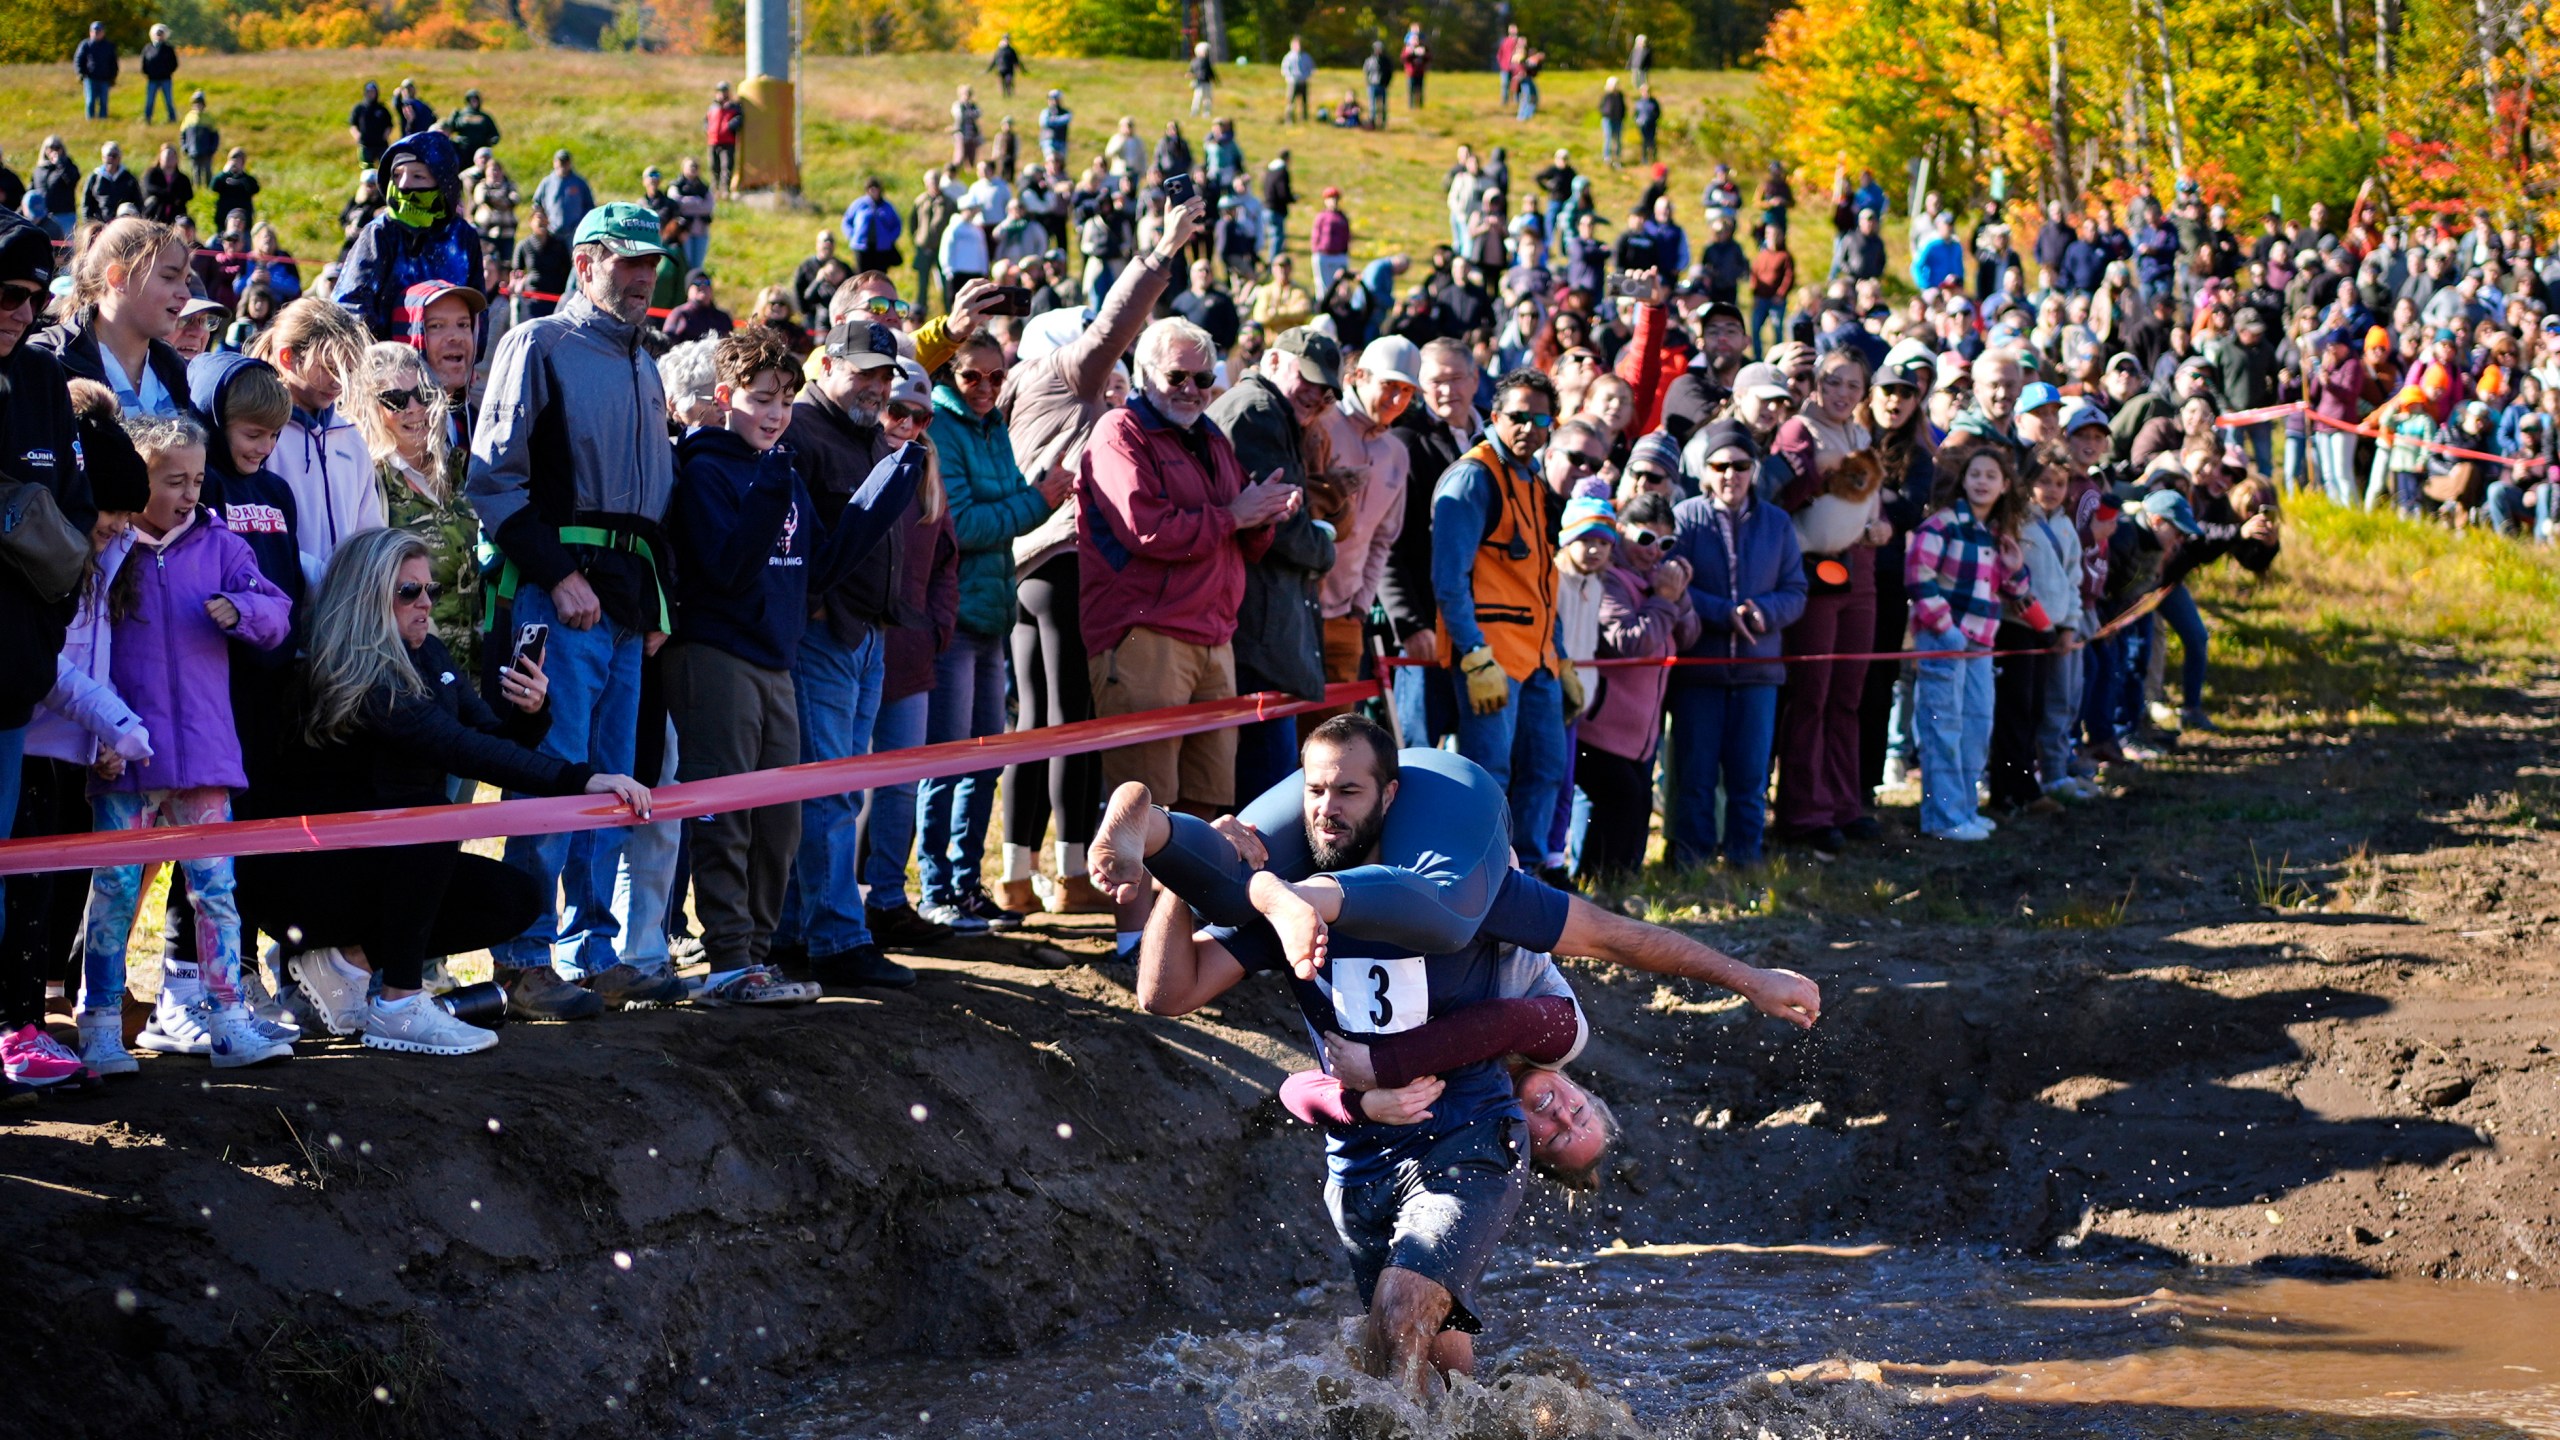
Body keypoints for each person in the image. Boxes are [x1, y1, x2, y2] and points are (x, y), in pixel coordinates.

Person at [1106, 722, 1819, 1397]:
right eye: (1317, 793)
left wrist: (1752, 981)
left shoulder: (1481, 898)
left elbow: (1616, 937)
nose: (1326, 811)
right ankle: (1494, 1414)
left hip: (1467, 1141)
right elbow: (1167, 994)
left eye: (1349, 793)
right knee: (1434, 1354)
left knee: (1398, 1311)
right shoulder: (1284, 895)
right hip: (1359, 1164)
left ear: (1389, 796)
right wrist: (1185, 881)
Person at [235, 527, 649, 1054]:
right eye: (409, 592)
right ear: (367, 596)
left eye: (430, 590)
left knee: (515, 898)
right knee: (429, 819)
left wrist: (531, 712)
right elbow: (458, 748)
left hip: (379, 869)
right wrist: (583, 779)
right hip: (305, 882)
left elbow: (486, 740)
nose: (426, 603)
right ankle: (399, 1002)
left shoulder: (426, 652)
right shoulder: (359, 674)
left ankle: (349, 965)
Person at [466, 201, 686, 1017]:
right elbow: (492, 480)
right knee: (553, 778)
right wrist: (557, 575)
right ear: (586, 260)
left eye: (650, 265)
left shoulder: (645, 359)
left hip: (629, 600)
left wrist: (659, 598)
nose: (641, 278)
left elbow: (652, 505)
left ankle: (592, 954)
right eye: (627, 262)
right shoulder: (539, 344)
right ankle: (523, 959)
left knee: (616, 786)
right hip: (561, 594)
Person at [665, 327, 917, 976]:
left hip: (777, 661)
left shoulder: (781, 472)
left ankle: (758, 956)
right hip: (716, 656)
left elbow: (818, 567)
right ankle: (727, 960)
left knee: (780, 824)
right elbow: (725, 570)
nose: (775, 414)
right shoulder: (707, 472)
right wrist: (772, 490)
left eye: (784, 400)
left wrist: (884, 489)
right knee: (728, 818)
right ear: (726, 398)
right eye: (761, 399)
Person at [80, 412, 294, 1071]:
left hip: (203, 757)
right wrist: (99, 739)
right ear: (138, 479)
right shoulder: (109, 552)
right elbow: (83, 649)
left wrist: (244, 611)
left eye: (198, 480)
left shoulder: (222, 545)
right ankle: (99, 1027)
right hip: (127, 757)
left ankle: (227, 1018)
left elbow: (277, 611)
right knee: (114, 891)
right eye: (174, 481)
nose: (190, 493)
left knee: (216, 891)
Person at [1077, 316, 1296, 954]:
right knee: (1143, 798)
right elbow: (1147, 528)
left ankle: (1188, 941)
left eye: (1204, 378)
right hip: (1144, 634)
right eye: (1178, 376)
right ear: (1146, 373)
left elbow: (1239, 535)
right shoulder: (1120, 431)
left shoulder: (1210, 439)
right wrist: (1235, 515)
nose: (1193, 389)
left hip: (1212, 637)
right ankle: (1132, 943)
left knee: (1206, 799)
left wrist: (1266, 515)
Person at [916, 332, 1067, 932]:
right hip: (955, 618)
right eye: (972, 377)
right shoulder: (944, 430)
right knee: (947, 760)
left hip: (992, 613)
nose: (984, 388)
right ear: (950, 375)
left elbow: (994, 512)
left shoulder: (992, 427)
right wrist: (1040, 501)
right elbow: (965, 523)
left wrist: (1032, 499)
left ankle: (965, 882)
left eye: (995, 378)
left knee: (984, 761)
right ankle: (933, 887)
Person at [1433, 367, 1574, 862]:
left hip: (1537, 660)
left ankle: (1528, 881)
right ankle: (1481, 880)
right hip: (1491, 657)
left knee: (1545, 769)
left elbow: (1543, 580)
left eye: (1541, 418)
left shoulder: (1532, 481)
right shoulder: (1474, 476)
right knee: (1488, 776)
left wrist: (1562, 657)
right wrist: (1473, 654)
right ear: (1495, 415)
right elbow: (1448, 580)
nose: (1529, 427)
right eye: (1518, 416)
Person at [1665, 418, 1805, 867]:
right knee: (1696, 775)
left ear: (1754, 469)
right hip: (1699, 670)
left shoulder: (1778, 524)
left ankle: (1747, 861)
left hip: (1759, 670)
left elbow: (1796, 590)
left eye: (1741, 465)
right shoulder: (1684, 518)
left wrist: (1762, 612)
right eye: (1720, 465)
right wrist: (1722, 613)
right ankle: (1691, 861)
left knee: (1749, 778)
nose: (1731, 474)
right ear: (1705, 471)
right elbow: (1671, 585)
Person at [1211, 327, 1342, 800]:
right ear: (1271, 362)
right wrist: (1324, 548)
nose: (1317, 394)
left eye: (1327, 389)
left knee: (1270, 776)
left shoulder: (1272, 413)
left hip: (1259, 627)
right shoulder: (1257, 411)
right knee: (1266, 790)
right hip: (1256, 630)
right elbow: (1276, 522)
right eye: (1306, 378)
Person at [1909, 441, 2047, 841]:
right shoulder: (1942, 525)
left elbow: (2015, 591)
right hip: (1944, 643)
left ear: (2005, 485)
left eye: (1991, 475)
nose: (1982, 482)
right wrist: (1944, 628)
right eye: (1976, 474)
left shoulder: (1995, 536)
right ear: (1963, 481)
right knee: (1942, 729)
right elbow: (1919, 577)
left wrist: (2015, 567)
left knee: (1976, 726)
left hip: (1981, 647)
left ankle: (1965, 808)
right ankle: (1942, 817)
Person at [1313, 337, 1417, 702]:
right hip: (1301, 607)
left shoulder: (1396, 453)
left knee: (1336, 735)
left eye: (1407, 391)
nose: (1397, 400)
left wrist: (1360, 604)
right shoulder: (1321, 424)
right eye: (1390, 386)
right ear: (1359, 376)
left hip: (1346, 615)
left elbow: (1383, 537)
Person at [248, 297, 378, 565]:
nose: (339, 381)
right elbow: (257, 535)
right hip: (280, 601)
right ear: (287, 357)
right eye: (329, 367)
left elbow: (370, 533)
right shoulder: (258, 435)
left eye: (347, 370)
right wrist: (314, 578)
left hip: (345, 603)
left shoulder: (350, 438)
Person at [334, 130, 483, 342]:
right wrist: (379, 357)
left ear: (442, 182)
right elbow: (349, 304)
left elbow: (477, 309)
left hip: (448, 359)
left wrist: (469, 360)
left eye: (417, 176)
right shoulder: (381, 232)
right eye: (397, 175)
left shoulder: (463, 236)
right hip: (386, 363)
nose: (403, 184)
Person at [531, 149, 596, 239]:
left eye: (565, 162)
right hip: (551, 233)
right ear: (554, 163)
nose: (563, 165)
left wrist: (581, 225)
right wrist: (543, 222)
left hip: (574, 233)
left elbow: (589, 206)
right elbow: (537, 204)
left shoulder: (579, 183)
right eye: (560, 162)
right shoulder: (547, 183)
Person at [662, 270, 733, 344]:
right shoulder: (680, 314)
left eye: (707, 282)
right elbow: (666, 343)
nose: (703, 286)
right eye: (697, 283)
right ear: (688, 290)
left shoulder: (723, 318)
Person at [82, 141, 142, 223]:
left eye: (114, 156)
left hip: (123, 224)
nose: (111, 159)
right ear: (103, 157)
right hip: (101, 224)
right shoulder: (94, 178)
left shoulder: (129, 178)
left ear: (119, 157)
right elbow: (87, 204)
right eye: (108, 155)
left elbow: (138, 202)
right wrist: (88, 224)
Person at [76, 22, 119, 120]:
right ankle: (90, 120)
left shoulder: (108, 46)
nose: (96, 33)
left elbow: (113, 63)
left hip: (104, 78)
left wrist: (113, 77)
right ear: (90, 32)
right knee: (90, 100)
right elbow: (78, 60)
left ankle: (103, 120)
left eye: (99, 31)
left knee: (103, 101)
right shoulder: (85, 45)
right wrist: (81, 73)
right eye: (94, 31)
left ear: (103, 32)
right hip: (90, 78)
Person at [1597, 78, 1628, 169]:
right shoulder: (1606, 95)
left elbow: (1623, 107)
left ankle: (1617, 158)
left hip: (1618, 120)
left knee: (1618, 140)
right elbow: (1601, 107)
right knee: (1608, 138)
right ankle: (1607, 157)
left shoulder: (1620, 95)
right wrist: (1606, 114)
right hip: (1608, 120)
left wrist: (1622, 116)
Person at [1282, 37, 1315, 123]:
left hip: (1303, 82)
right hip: (1292, 82)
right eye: (1296, 45)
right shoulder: (1288, 57)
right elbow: (1285, 69)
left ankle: (1304, 119)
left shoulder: (1306, 57)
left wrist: (1305, 77)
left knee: (1304, 102)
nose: (1298, 46)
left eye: (1299, 44)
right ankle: (1289, 120)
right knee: (1290, 102)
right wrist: (1290, 78)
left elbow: (1311, 68)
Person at [1362, 41, 1391, 130]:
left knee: (1383, 106)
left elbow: (1389, 73)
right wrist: (1368, 83)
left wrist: (1386, 83)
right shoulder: (1369, 60)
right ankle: (1372, 123)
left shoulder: (1386, 61)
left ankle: (1383, 123)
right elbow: (1366, 72)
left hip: (1382, 86)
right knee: (1372, 106)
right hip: (1372, 86)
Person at [987, 32, 1025, 97]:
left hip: (1009, 69)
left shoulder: (1011, 50)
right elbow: (994, 60)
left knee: (1008, 81)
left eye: (1008, 39)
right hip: (1000, 69)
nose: (1007, 40)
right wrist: (989, 69)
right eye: (1006, 38)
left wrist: (1020, 68)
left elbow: (1016, 60)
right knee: (1002, 83)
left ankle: (1009, 94)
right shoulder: (999, 50)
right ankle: (1003, 95)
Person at [1402, 25, 1431, 109]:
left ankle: (1420, 106)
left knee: (1420, 90)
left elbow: (1429, 58)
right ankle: (1411, 106)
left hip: (1420, 72)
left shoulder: (1423, 48)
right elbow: (1404, 58)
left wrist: (1423, 54)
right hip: (1411, 73)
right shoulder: (1408, 48)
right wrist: (1412, 52)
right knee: (1411, 90)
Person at [1188, 42, 1217, 118]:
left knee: (1203, 98)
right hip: (1202, 82)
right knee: (1201, 98)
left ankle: (1202, 113)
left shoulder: (1194, 61)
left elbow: (1210, 72)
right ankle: (1199, 113)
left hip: (1203, 82)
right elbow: (1210, 72)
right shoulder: (1202, 61)